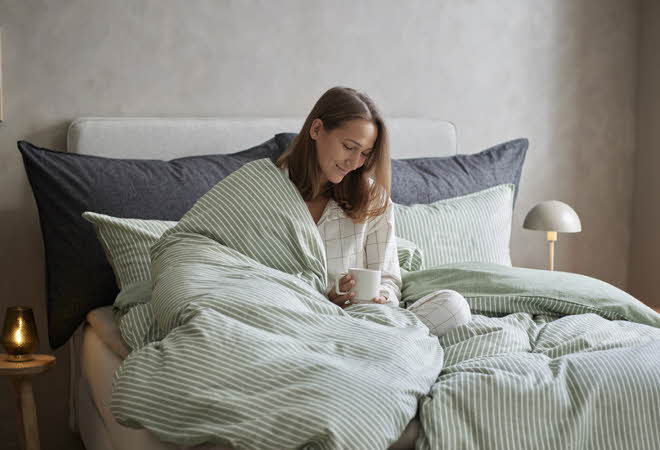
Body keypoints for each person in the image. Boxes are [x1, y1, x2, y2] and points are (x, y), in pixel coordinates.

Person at [276, 86, 471, 337]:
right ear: (316, 130)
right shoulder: (267, 189)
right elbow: (249, 276)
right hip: (294, 321)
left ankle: (375, 346)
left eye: (365, 154)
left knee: (453, 306)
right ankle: (386, 348)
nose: (355, 162)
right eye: (349, 146)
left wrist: (380, 298)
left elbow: (389, 279)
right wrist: (326, 299)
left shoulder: (373, 199)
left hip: (364, 323)